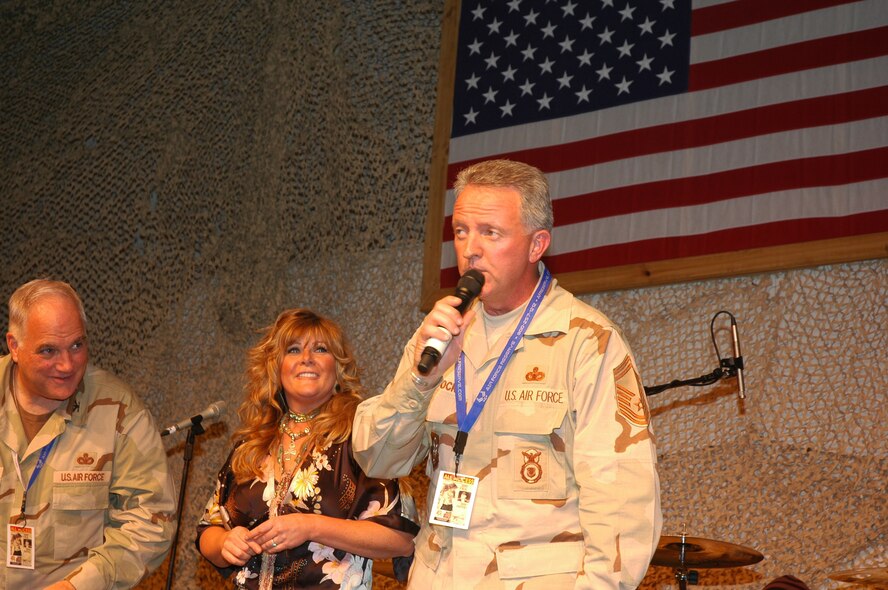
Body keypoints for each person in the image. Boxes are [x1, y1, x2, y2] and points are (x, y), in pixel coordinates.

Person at [352, 159, 662, 589]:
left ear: (537, 245)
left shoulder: (586, 341)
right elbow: (377, 459)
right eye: (461, 231)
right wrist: (420, 382)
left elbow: (623, 506)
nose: (470, 249)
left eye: (490, 232)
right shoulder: (441, 334)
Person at [196, 308, 419, 589]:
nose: (306, 358)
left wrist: (310, 527)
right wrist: (225, 543)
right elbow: (208, 529)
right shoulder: (251, 445)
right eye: (293, 349)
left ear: (338, 368)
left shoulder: (361, 438)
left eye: (320, 349)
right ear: (276, 368)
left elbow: (400, 539)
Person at [0, 279, 176, 589]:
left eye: (77, 345)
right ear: (15, 346)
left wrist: (79, 585)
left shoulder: (119, 410)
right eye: (48, 350)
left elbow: (151, 520)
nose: (67, 365)